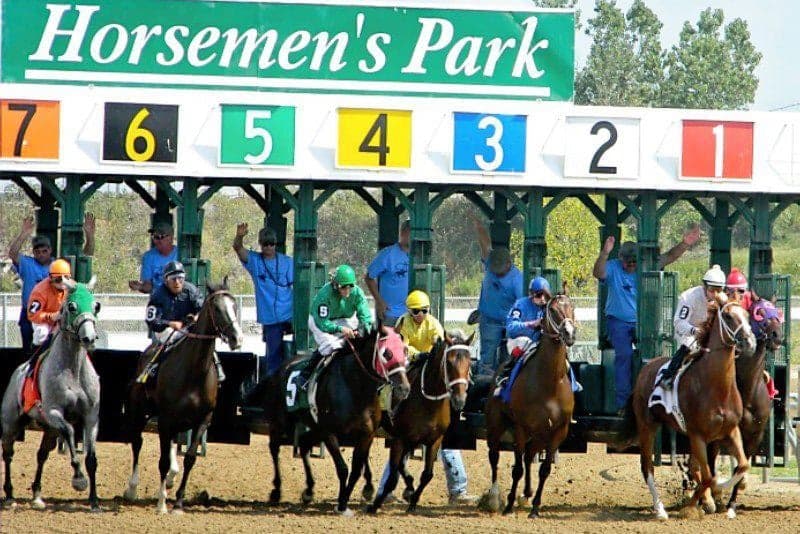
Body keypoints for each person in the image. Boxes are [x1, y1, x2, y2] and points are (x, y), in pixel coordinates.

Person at [377, 289, 477, 505]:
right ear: (409, 311)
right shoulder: (402, 323)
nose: (420, 314)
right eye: (416, 311)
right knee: (397, 376)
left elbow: (440, 344)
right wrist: (415, 354)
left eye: (423, 310)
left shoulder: (433, 324)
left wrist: (431, 353)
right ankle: (390, 404)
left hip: (430, 364)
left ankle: (458, 491)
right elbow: (400, 346)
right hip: (411, 361)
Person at [592, 225, 701, 410]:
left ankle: (653, 396)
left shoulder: (645, 265)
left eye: (634, 262)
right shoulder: (612, 267)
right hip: (618, 322)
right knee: (624, 355)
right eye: (628, 263)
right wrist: (604, 253)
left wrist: (684, 244)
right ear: (620, 259)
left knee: (652, 352)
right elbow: (598, 272)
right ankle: (623, 404)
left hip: (642, 322)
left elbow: (669, 256)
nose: (632, 266)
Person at [9, 214, 95, 353]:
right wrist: (24, 233)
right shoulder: (27, 263)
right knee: (30, 347)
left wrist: (89, 235)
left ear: (50, 250)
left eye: (45, 251)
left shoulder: (58, 265)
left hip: (57, 313)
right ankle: (30, 369)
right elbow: (13, 254)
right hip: (32, 312)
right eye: (37, 251)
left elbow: (86, 256)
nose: (41, 254)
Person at [496, 277, 582, 399]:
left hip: (539, 341)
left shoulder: (549, 306)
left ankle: (572, 383)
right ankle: (505, 375)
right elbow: (510, 327)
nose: (542, 299)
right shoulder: (521, 304)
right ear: (531, 295)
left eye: (545, 296)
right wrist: (530, 324)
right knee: (524, 343)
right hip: (519, 339)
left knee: (560, 352)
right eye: (538, 295)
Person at [142, 261, 225, 381]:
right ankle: (155, 367)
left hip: (188, 327)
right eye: (173, 278)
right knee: (171, 338)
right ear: (166, 280)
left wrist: (197, 316)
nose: (177, 282)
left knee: (205, 339)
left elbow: (202, 308)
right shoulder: (158, 295)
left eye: (180, 278)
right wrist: (169, 323)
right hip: (165, 330)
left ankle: (217, 366)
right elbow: (152, 320)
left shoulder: (191, 290)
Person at [233, 223, 293, 377]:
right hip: (270, 318)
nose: (269, 247)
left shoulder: (287, 262)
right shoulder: (255, 261)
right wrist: (240, 235)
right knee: (273, 357)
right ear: (260, 244)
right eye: (265, 244)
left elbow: (297, 286)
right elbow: (238, 249)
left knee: (299, 347)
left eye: (272, 243)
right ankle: (272, 387)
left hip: (289, 313)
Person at [658, 264, 727, 389]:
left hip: (709, 335)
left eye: (719, 290)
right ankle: (668, 377)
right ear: (704, 286)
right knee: (689, 347)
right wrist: (695, 331)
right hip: (688, 332)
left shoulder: (724, 301)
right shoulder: (689, 297)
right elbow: (679, 322)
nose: (715, 294)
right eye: (712, 290)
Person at [471, 216, 523, 376]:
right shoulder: (490, 263)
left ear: (509, 263)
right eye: (494, 267)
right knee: (487, 357)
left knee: (510, 356)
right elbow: (485, 246)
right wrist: (479, 226)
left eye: (499, 267)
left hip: (509, 322)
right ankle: (484, 388)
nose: (496, 270)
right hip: (489, 320)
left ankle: (508, 382)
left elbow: (521, 304)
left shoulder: (517, 280)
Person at [302, 265, 373, 379]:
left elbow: (365, 316)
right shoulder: (324, 295)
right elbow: (323, 323)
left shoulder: (357, 293)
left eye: (350, 286)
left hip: (342, 319)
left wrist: (364, 329)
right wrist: (340, 329)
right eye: (343, 287)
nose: (347, 290)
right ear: (335, 285)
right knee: (330, 345)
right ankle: (306, 374)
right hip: (319, 321)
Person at [24, 259, 73, 375]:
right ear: (50, 278)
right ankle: (33, 363)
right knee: (42, 333)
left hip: (61, 319)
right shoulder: (40, 291)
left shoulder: (71, 288)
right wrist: (51, 317)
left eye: (66, 278)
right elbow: (32, 315)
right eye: (58, 279)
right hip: (43, 319)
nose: (62, 282)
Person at [365, 219, 410, 326]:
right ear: (403, 233)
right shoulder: (387, 254)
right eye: (410, 231)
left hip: (413, 315)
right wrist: (379, 301)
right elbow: (369, 277)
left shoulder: (418, 256)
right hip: (391, 314)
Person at [129, 221, 178, 294]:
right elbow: (148, 285)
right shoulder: (148, 257)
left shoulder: (180, 254)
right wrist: (141, 287)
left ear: (170, 238)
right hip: (159, 299)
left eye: (161, 237)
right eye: (155, 237)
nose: (157, 241)